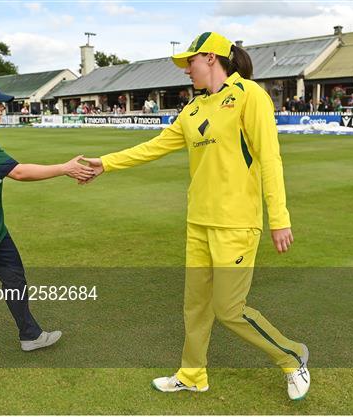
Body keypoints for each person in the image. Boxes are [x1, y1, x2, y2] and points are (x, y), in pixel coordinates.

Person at [82, 32, 310, 400]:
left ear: (210, 58)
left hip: (236, 223)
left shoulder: (249, 96)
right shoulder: (191, 109)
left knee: (229, 309)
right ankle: (192, 374)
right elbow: (155, 146)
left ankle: (291, 355)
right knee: (197, 308)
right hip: (198, 223)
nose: (186, 69)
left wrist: (279, 218)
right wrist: (105, 164)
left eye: (190, 61)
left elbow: (270, 158)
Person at [0, 77, 95, 366]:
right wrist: (65, 168)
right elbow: (19, 172)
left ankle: (30, 335)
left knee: (15, 278)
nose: (2, 107)